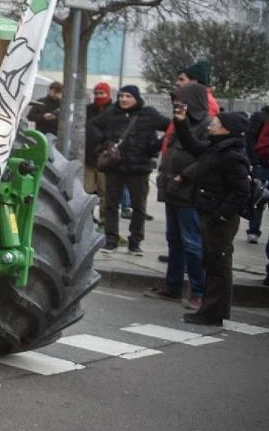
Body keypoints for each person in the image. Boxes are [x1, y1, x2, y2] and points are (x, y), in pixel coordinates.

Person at [172, 109, 253, 326]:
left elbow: (241, 192)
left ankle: (214, 313)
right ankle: (209, 309)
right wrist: (181, 123)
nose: (210, 125)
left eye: (215, 122)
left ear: (227, 129)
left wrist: (222, 215)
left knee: (219, 264)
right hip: (210, 215)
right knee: (212, 261)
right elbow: (191, 145)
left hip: (220, 219)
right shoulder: (216, 148)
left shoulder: (232, 155)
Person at [151, 83, 209, 307]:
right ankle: (172, 286)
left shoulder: (206, 125)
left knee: (192, 244)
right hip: (173, 192)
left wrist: (184, 176)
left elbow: (204, 156)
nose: (177, 104)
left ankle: (198, 291)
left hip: (189, 194)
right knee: (174, 241)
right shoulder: (179, 124)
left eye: (182, 100)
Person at [89, 85, 167, 254]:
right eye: (121, 96)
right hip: (115, 168)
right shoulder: (111, 113)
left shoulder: (148, 114)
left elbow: (170, 127)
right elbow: (93, 125)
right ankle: (111, 240)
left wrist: (155, 147)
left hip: (139, 170)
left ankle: (135, 242)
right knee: (111, 205)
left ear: (136, 98)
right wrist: (103, 143)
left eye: (128, 96)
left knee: (138, 207)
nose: (124, 99)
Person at [243, 103, 268, 246]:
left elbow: (250, 138)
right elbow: (250, 139)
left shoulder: (259, 116)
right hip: (261, 163)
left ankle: (253, 231)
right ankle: (253, 230)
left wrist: (254, 161)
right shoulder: (260, 116)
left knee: (258, 199)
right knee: (259, 197)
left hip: (261, 163)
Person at [84, 82, 114, 201]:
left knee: (105, 191)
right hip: (89, 156)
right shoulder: (88, 109)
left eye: (102, 93)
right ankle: (88, 217)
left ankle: (104, 219)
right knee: (87, 191)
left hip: (106, 158)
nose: (99, 96)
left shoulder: (114, 110)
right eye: (96, 93)